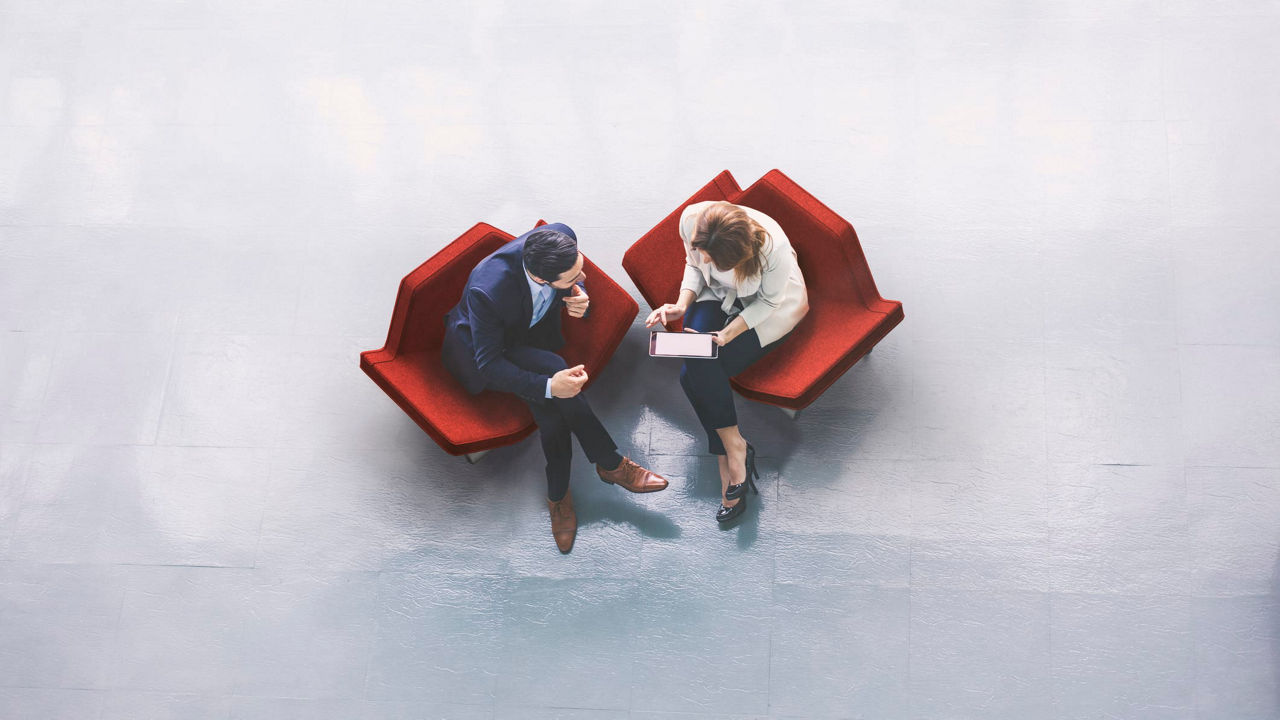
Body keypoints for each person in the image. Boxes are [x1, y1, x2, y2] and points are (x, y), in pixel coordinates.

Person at [442, 223, 668, 553]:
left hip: (531, 335)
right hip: (490, 350)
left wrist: (579, 299)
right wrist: (550, 387)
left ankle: (561, 495)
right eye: (571, 278)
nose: (582, 277)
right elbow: (489, 365)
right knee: (554, 375)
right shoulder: (488, 290)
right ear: (541, 279)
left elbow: (577, 285)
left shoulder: (561, 236)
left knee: (552, 419)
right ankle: (608, 465)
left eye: (580, 266)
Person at [644, 201, 808, 524]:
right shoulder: (692, 220)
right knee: (698, 359)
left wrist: (728, 333)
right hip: (716, 294)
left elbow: (769, 303)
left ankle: (726, 452)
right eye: (703, 250)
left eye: (711, 257)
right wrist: (680, 305)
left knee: (694, 374)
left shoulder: (773, 250)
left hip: (765, 309)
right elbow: (694, 265)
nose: (704, 258)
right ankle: (735, 447)